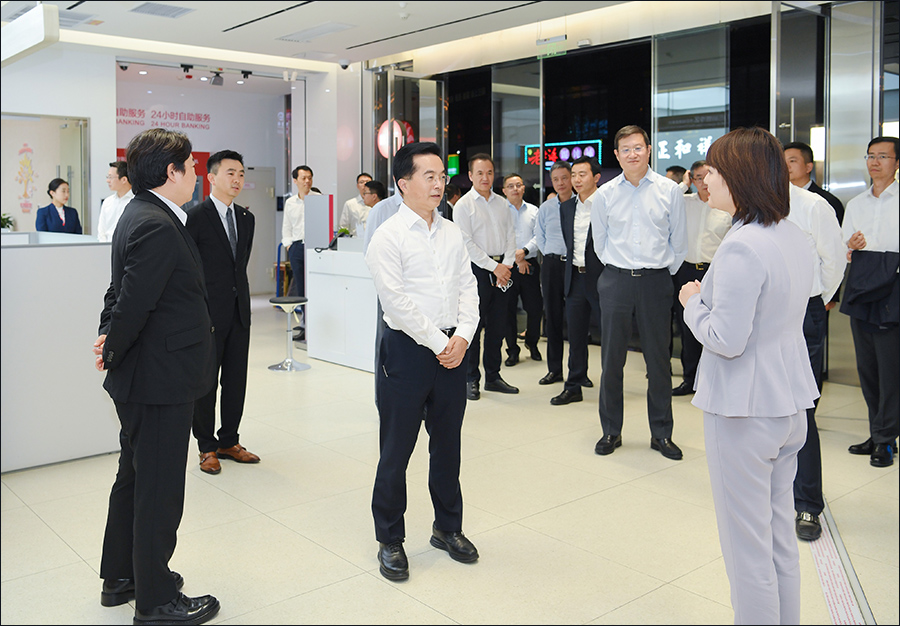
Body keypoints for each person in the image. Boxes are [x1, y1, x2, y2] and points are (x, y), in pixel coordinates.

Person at [679, 127, 818, 625]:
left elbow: (726, 338)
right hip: (787, 403)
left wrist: (693, 303)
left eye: (712, 171)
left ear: (738, 175)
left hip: (744, 410)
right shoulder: (792, 235)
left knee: (747, 551)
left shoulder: (743, 246)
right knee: (777, 539)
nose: (705, 180)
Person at [92, 128, 220, 625]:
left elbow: (119, 292)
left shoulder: (139, 213)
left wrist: (107, 336)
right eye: (191, 166)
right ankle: (156, 600)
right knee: (158, 489)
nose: (196, 174)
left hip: (146, 375)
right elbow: (132, 301)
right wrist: (112, 345)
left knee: (134, 477)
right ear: (172, 171)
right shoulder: (157, 223)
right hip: (159, 379)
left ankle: (122, 576)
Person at [365, 141, 480, 582]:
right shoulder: (387, 236)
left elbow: (468, 287)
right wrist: (439, 341)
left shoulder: (451, 232)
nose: (438, 184)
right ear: (403, 183)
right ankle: (390, 538)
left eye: (441, 176)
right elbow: (395, 302)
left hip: (453, 350)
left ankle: (447, 527)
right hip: (407, 352)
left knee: (447, 445)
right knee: (396, 449)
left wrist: (463, 335)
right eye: (428, 176)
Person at [591, 125, 687, 459]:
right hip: (616, 280)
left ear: (648, 150)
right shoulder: (604, 194)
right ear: (616, 155)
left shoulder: (669, 190)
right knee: (611, 360)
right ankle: (610, 431)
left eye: (638, 147)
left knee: (658, 361)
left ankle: (661, 434)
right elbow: (600, 242)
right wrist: (620, 269)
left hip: (655, 281)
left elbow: (679, 242)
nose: (632, 154)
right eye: (625, 149)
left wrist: (656, 273)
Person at [185, 150, 260, 476]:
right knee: (205, 383)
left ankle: (229, 440)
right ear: (212, 177)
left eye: (241, 174)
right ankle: (206, 446)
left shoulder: (246, 219)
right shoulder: (194, 217)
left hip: (239, 312)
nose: (237, 180)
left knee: (236, 380)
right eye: (230, 173)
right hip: (206, 315)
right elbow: (190, 271)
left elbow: (238, 267)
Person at [783, 182, 846, 541]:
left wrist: (817, 302)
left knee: (800, 409)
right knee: (765, 409)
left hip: (803, 311)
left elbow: (834, 261)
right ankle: (773, 491)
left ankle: (807, 502)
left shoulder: (813, 205)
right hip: (762, 309)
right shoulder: (751, 201)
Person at [842, 136, 899, 468]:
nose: (875, 162)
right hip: (862, 286)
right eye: (870, 156)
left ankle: (886, 438)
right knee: (868, 367)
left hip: (893, 288)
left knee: (890, 367)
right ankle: (878, 431)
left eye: (883, 156)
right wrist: (850, 244)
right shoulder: (856, 204)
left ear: (897, 163)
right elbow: (844, 248)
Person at [454, 153, 518, 399]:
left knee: (498, 326)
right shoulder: (464, 205)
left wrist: (507, 265)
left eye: (489, 172)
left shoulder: (502, 203)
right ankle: (471, 378)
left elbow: (510, 235)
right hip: (478, 272)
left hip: (503, 270)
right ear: (470, 175)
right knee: (474, 326)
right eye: (480, 173)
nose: (485, 177)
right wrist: (494, 267)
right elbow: (467, 244)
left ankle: (493, 376)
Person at [671, 160, 732, 397]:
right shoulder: (684, 202)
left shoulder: (726, 206)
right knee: (688, 327)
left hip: (715, 272)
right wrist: (683, 185)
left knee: (716, 327)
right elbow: (664, 201)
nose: (704, 182)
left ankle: (714, 383)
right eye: (698, 177)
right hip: (686, 271)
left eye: (708, 176)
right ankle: (690, 379)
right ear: (691, 179)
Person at [552, 156, 603, 406]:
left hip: (602, 279)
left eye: (582, 174)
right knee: (576, 335)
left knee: (609, 336)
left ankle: (611, 388)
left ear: (596, 177)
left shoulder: (606, 204)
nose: (576, 179)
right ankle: (574, 384)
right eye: (574, 175)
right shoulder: (566, 207)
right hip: (575, 278)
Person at [533, 161, 572, 386]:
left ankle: (578, 372)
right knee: (553, 318)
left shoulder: (581, 204)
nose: (560, 183)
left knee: (576, 321)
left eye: (564, 178)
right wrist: (550, 254)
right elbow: (540, 236)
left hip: (575, 266)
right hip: (552, 265)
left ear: (572, 178)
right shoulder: (546, 207)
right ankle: (554, 370)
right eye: (556, 179)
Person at [501, 173, 543, 366]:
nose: (515, 189)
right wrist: (516, 260)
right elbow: (499, 239)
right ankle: (512, 350)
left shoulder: (534, 211)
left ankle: (532, 343)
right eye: (511, 186)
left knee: (535, 308)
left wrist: (524, 252)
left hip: (530, 265)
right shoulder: (499, 212)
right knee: (508, 310)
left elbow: (539, 236)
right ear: (504, 190)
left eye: (518, 185)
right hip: (507, 267)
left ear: (523, 188)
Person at [784, 141, 845, 224]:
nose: (786, 166)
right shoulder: (778, 199)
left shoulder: (827, 201)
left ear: (808, 167)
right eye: (783, 161)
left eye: (792, 161)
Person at [282, 165, 319, 298]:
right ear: (295, 180)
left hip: (315, 247)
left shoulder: (319, 198)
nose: (307, 181)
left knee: (316, 283)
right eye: (303, 178)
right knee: (300, 285)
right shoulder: (290, 202)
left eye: (310, 178)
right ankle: (304, 311)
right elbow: (287, 226)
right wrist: (289, 246)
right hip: (296, 247)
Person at [97, 161, 134, 242]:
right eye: (107, 177)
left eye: (110, 177)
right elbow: (101, 231)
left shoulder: (135, 202)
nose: (108, 180)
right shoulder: (107, 202)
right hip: (106, 247)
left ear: (124, 179)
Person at [339, 172, 374, 237]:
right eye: (361, 182)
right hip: (355, 240)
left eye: (368, 182)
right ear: (357, 186)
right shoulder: (350, 204)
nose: (365, 184)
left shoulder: (376, 203)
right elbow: (343, 227)